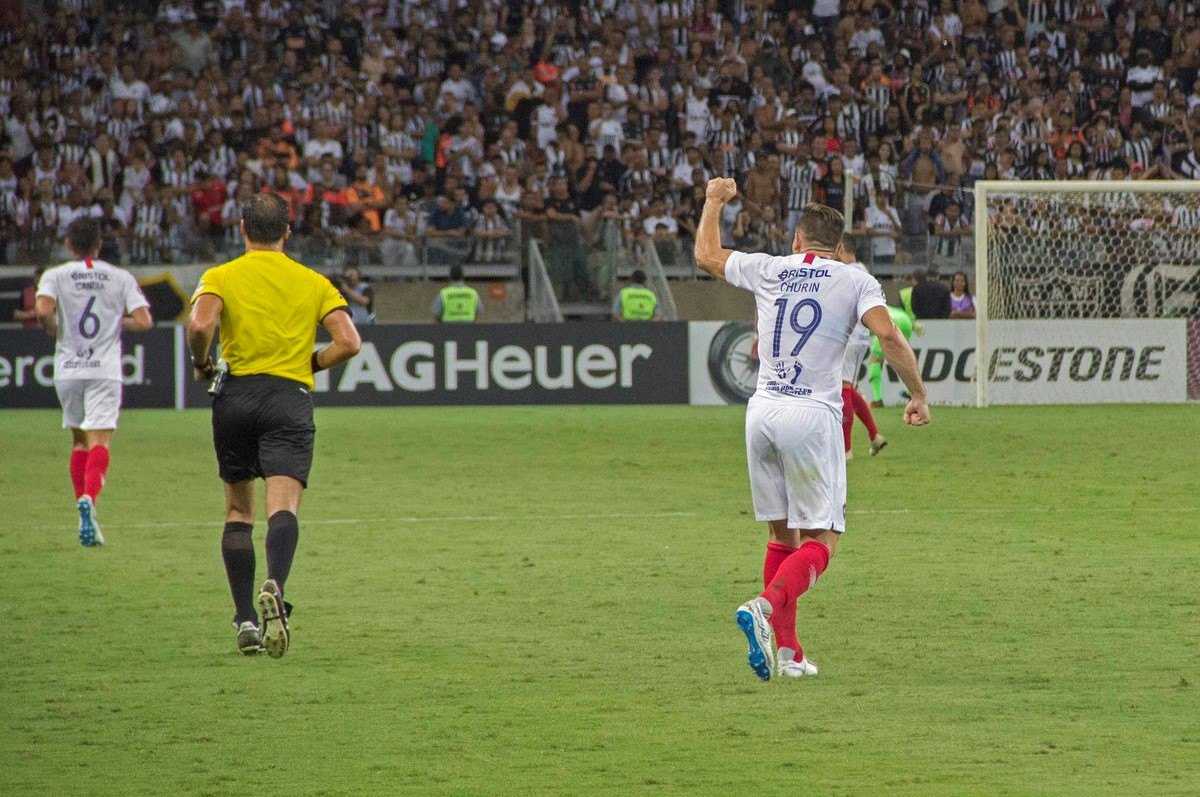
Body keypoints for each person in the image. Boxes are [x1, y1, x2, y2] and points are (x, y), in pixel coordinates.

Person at [694, 179, 930, 681]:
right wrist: (917, 394)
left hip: (761, 412)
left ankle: (789, 653)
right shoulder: (854, 280)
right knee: (825, 537)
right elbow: (887, 335)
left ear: (797, 241)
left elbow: (707, 255)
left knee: (781, 535)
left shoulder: (770, 268)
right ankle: (762, 605)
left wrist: (714, 201)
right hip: (812, 416)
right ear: (839, 246)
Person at [187, 194, 362, 657]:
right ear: (287, 231)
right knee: (282, 506)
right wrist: (312, 363)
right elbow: (349, 342)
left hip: (236, 396)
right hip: (289, 397)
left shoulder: (220, 276)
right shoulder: (314, 281)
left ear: (242, 229)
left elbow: (200, 324)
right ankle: (276, 588)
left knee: (238, 512)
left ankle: (245, 618)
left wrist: (201, 363)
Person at [34, 218, 153, 546]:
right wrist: (115, 322)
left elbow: (43, 309)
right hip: (105, 369)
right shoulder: (120, 277)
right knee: (100, 440)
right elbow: (144, 321)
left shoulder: (55, 275)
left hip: (69, 368)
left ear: (69, 245)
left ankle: (83, 511)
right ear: (99, 245)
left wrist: (54, 326)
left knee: (78, 441)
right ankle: (90, 499)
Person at [836, 234, 887, 459]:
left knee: (843, 388)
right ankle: (875, 436)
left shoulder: (851, 272)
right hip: (854, 337)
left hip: (850, 336)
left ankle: (845, 450)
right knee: (848, 389)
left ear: (840, 249)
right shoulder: (860, 270)